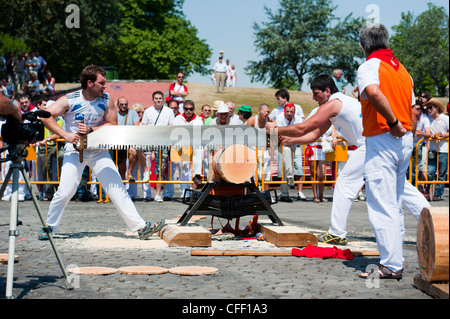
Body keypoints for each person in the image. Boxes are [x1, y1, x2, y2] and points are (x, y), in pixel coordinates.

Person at [266, 74, 429, 251]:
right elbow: (313, 135)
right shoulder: (339, 104)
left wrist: (276, 129)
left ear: (327, 91)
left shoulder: (334, 104)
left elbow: (303, 127)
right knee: (401, 187)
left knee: (344, 184)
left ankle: (336, 233)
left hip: (370, 144)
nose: (313, 98)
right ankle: (434, 220)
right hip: (380, 143)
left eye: (316, 93)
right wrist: (289, 140)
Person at [37, 65, 164, 240]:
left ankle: (141, 227)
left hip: (98, 151)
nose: (105, 86)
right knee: (66, 190)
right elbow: (45, 115)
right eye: (102, 83)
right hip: (75, 150)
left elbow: (112, 124)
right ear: (90, 83)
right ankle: (49, 227)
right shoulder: (70, 99)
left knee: (117, 188)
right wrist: (65, 134)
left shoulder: (106, 99)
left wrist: (92, 129)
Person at [356, 24, 416, 279]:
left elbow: (372, 91)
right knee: (394, 202)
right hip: (405, 138)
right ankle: (394, 259)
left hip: (385, 135)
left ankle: (391, 264)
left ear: (363, 45)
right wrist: (403, 126)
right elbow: (413, 108)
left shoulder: (369, 66)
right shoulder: (403, 70)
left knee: (382, 202)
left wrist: (392, 122)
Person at [141, 90, 174, 202]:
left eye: (160, 98)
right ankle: (147, 194)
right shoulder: (148, 111)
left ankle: (158, 194)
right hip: (150, 142)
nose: (158, 100)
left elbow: (170, 127)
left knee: (161, 168)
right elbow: (144, 127)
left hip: (163, 142)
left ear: (163, 99)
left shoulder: (169, 111)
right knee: (147, 167)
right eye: (156, 98)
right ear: (153, 99)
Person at [35, 99, 65, 201]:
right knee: (45, 171)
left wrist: (47, 139)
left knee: (57, 171)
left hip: (55, 146)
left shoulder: (59, 119)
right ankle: (48, 194)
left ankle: (59, 193)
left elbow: (59, 134)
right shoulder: (42, 119)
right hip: (45, 147)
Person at [172, 100, 203, 196]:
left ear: (193, 109)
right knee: (184, 168)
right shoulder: (178, 118)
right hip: (182, 144)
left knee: (199, 148)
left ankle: (197, 175)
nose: (188, 111)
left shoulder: (198, 119)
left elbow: (198, 133)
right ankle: (184, 193)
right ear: (183, 109)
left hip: (194, 143)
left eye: (190, 109)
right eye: (186, 109)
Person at [275, 103, 304, 202]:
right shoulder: (279, 118)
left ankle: (296, 189)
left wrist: (290, 139)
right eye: (287, 111)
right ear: (284, 111)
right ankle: (285, 189)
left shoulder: (299, 119)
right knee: (284, 166)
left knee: (299, 166)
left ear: (294, 112)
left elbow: (301, 133)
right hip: (283, 144)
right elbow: (280, 134)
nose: (289, 113)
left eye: (291, 112)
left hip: (295, 144)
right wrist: (288, 138)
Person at [426, 98, 449, 201]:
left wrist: (442, 135)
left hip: (443, 149)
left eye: (431, 107)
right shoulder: (428, 119)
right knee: (430, 171)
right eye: (428, 107)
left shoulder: (445, 118)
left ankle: (438, 194)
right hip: (432, 149)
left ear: (437, 108)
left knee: (441, 173)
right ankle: (429, 192)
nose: (429, 109)